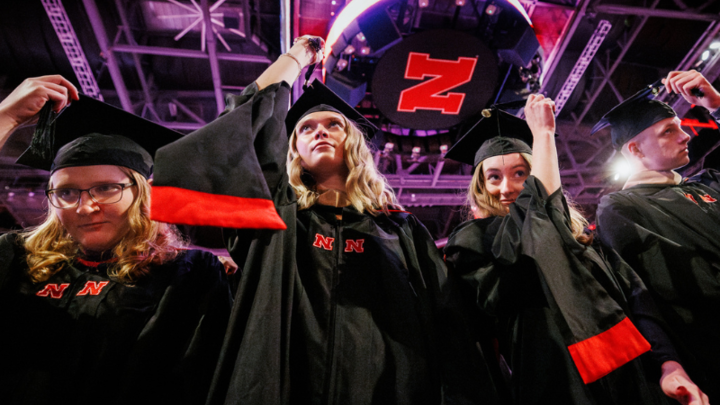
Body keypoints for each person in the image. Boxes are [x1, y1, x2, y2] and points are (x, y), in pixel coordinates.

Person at [150, 36, 503, 405]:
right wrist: (296, 57)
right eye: (305, 128)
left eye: (333, 124)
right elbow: (244, 122)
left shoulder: (400, 229)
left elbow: (449, 327)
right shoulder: (275, 218)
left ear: (354, 143)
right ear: (294, 152)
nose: (320, 130)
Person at [443, 95, 707, 404]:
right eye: (494, 177)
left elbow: (637, 300)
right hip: (556, 383)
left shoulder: (586, 240)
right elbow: (532, 232)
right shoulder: (474, 243)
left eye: (520, 174)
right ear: (480, 186)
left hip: (633, 375)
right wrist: (542, 137)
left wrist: (668, 365)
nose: (507, 188)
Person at [0, 77, 233, 405]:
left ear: (142, 193)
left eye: (107, 188)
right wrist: (5, 118)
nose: (85, 206)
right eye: (66, 192)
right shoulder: (15, 259)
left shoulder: (186, 275)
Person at [595, 69, 720, 402]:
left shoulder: (707, 184)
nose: (686, 135)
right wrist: (667, 361)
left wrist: (717, 105)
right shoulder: (621, 208)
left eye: (680, 126)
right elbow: (639, 292)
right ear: (635, 150)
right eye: (669, 130)